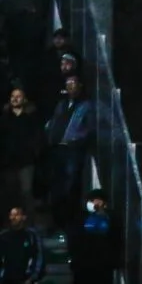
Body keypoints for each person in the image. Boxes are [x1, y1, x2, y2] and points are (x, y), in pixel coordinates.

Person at [45, 74, 93, 229]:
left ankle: (70, 221)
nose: (70, 86)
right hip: (57, 148)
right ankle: (58, 221)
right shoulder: (62, 104)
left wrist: (76, 140)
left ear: (80, 85)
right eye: (68, 83)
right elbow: (55, 121)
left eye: (73, 83)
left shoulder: (86, 105)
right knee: (56, 186)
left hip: (72, 150)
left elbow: (89, 128)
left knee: (71, 185)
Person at [0, 88, 43, 219]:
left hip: (26, 161)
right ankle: (12, 222)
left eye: (18, 96)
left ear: (24, 99)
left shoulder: (30, 118)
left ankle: (29, 222)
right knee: (11, 193)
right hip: (8, 162)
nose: (15, 98)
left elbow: (38, 137)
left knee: (26, 192)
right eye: (13, 96)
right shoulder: (4, 118)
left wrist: (34, 153)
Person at [69, 188, 119, 284]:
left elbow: (115, 239)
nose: (94, 204)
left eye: (97, 201)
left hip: (103, 266)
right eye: (91, 201)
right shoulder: (80, 217)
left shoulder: (111, 218)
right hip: (83, 265)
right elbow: (74, 239)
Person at [0, 206, 43, 284]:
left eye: (16, 215)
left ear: (23, 217)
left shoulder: (31, 236)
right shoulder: (3, 236)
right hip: (6, 279)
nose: (13, 218)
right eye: (11, 215)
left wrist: (32, 277)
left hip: (25, 279)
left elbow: (38, 257)